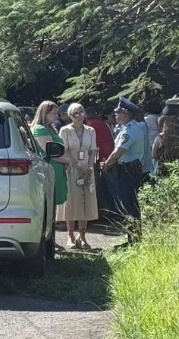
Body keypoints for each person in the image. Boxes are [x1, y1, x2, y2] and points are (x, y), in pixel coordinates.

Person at [101, 97, 146, 233]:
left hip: (128, 172)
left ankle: (134, 237)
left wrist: (106, 165)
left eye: (118, 113)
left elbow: (117, 152)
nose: (115, 115)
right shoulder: (131, 127)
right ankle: (131, 236)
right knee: (128, 204)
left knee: (129, 205)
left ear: (126, 114)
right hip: (129, 170)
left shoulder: (129, 130)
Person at [58, 103, 100, 249]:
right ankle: (69, 235)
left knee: (85, 201)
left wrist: (88, 166)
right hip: (72, 169)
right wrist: (78, 166)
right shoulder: (65, 131)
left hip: (87, 170)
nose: (80, 116)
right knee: (72, 202)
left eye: (81, 112)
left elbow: (93, 150)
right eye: (76, 113)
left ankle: (82, 236)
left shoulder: (91, 131)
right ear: (70, 115)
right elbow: (66, 150)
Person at [31, 101, 70, 249]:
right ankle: (47, 242)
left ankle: (51, 241)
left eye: (56, 113)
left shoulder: (50, 128)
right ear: (44, 113)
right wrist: (67, 159)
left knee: (53, 208)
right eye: (52, 113)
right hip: (49, 170)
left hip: (57, 170)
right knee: (48, 207)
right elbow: (49, 151)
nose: (55, 116)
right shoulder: (40, 129)